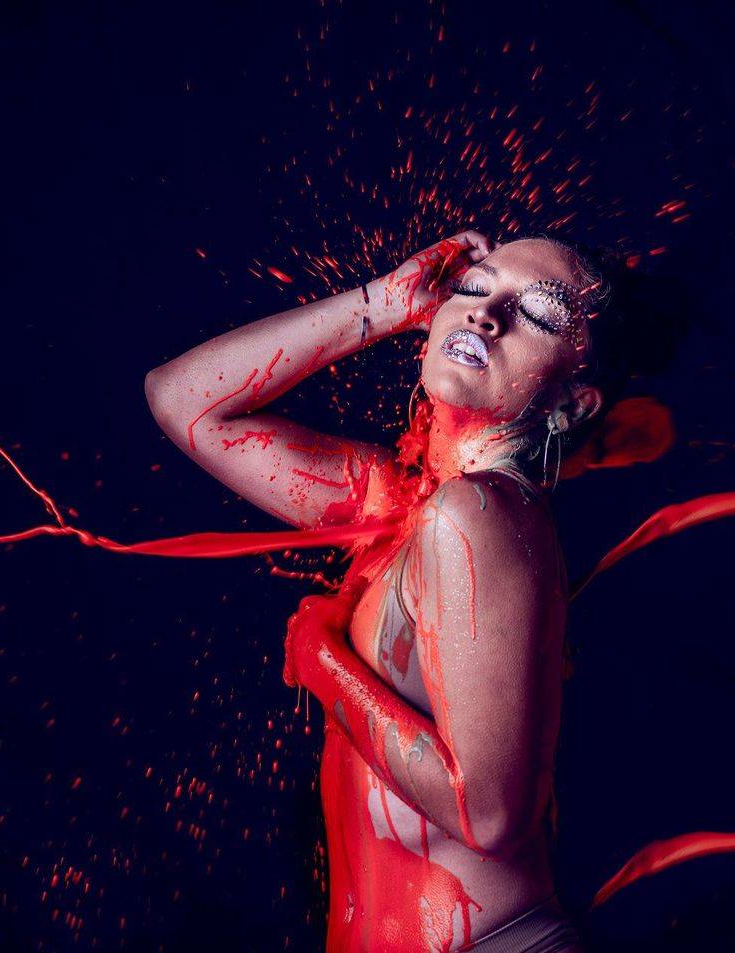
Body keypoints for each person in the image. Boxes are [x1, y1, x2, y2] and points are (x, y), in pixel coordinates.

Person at [144, 231, 633, 951]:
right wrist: (383, 304)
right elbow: (184, 401)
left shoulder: (480, 512)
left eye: (538, 314)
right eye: (473, 287)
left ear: (573, 402)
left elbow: (490, 816)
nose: (486, 314)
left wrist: (321, 661)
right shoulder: (397, 500)